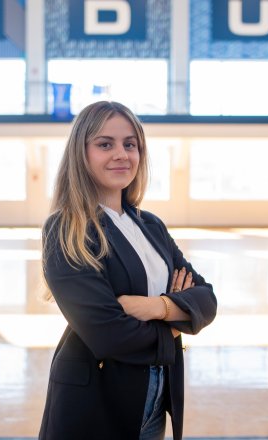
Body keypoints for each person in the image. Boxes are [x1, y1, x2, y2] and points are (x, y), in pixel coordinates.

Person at [39, 101, 217, 440]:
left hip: (153, 401)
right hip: (95, 404)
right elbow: (109, 334)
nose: (121, 153)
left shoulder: (150, 225)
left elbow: (206, 299)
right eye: (105, 144)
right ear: (82, 153)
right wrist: (178, 323)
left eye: (130, 144)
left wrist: (155, 307)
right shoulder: (66, 228)